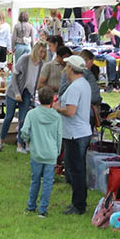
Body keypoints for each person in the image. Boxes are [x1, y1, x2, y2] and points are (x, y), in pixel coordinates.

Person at [57, 55, 93, 215]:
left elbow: (71, 111)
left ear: (71, 68)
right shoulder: (83, 84)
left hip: (75, 133)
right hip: (79, 131)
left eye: (67, 67)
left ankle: (78, 205)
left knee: (76, 169)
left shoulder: (75, 87)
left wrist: (58, 108)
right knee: (77, 168)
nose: (65, 70)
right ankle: (78, 203)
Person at [0, 41, 46, 154]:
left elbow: (36, 80)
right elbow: (14, 76)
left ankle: (20, 144)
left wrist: (34, 94)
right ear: (36, 50)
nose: (42, 54)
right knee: (9, 116)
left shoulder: (41, 64)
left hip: (28, 92)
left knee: (23, 119)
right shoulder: (25, 59)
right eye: (41, 51)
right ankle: (1, 142)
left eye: (44, 52)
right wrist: (17, 93)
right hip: (14, 91)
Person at [20, 84, 62, 217]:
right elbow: (59, 136)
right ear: (52, 100)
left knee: (35, 180)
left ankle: (31, 205)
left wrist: (27, 140)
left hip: (36, 152)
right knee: (48, 182)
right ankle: (43, 210)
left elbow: (24, 131)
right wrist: (57, 152)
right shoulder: (56, 116)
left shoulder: (32, 114)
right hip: (51, 153)